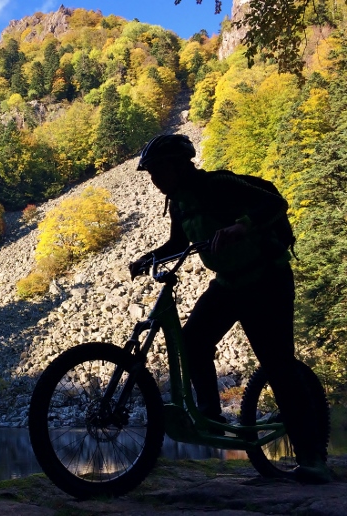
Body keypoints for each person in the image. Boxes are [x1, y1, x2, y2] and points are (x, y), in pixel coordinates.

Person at [130, 134, 331, 484]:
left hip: (266, 278)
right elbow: (178, 243)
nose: (154, 179)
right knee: (193, 341)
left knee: (278, 365)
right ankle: (211, 415)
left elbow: (275, 203)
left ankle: (312, 458)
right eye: (150, 173)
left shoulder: (219, 184)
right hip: (228, 283)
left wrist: (241, 226)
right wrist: (148, 258)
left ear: (180, 165)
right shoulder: (179, 203)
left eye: (158, 170)